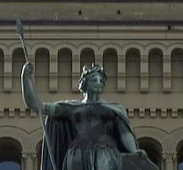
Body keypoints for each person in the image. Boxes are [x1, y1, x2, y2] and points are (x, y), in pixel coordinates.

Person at [21, 62, 152, 170]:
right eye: (94, 80)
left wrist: (133, 151)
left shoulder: (114, 109)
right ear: (85, 84)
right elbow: (36, 105)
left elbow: (124, 133)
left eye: (101, 80)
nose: (99, 83)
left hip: (105, 152)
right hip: (78, 153)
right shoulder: (72, 108)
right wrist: (25, 78)